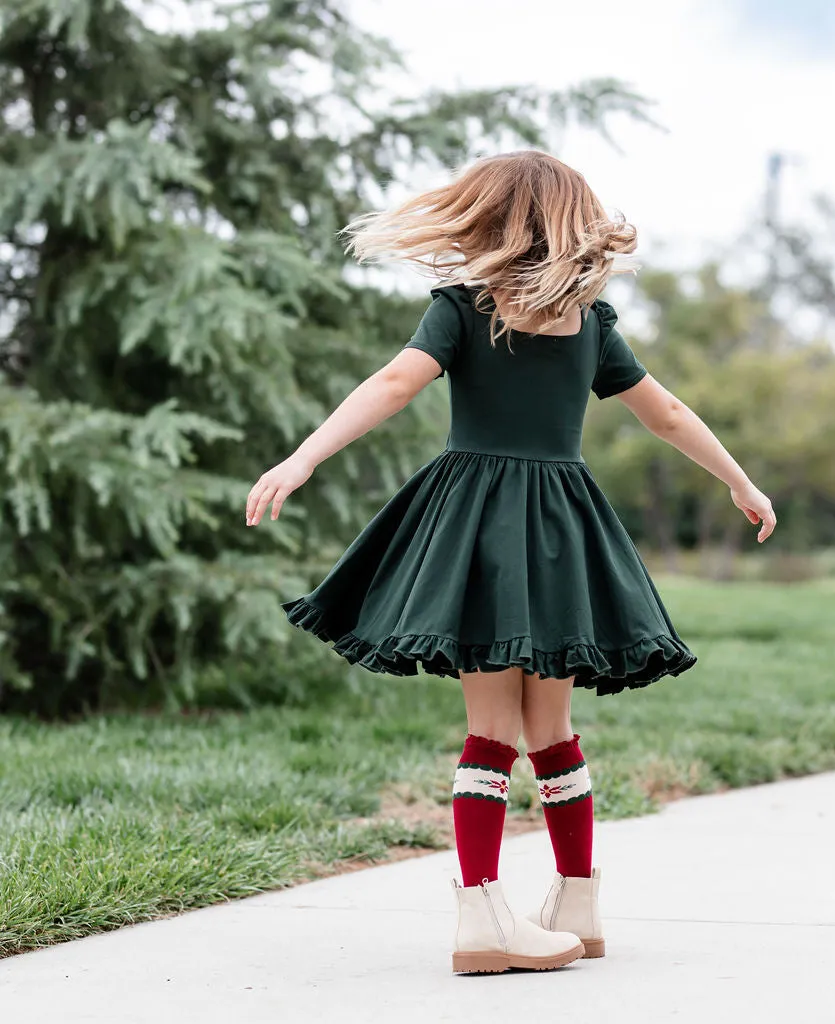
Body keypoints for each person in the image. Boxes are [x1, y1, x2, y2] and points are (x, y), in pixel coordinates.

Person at [245, 150, 776, 975]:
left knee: (489, 733)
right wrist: (741, 480)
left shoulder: (461, 310)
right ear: (573, 223)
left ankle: (485, 915)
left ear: (484, 219)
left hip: (479, 534)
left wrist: (302, 457)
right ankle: (575, 901)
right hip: (562, 533)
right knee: (551, 730)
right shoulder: (592, 324)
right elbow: (665, 414)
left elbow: (393, 385)